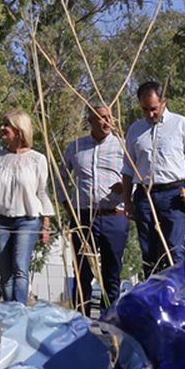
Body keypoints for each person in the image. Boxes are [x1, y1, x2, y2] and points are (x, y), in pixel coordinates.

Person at [120, 80, 185, 273]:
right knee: (148, 252)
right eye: (145, 109)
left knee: (174, 250)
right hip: (144, 195)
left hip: (173, 194)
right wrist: (127, 201)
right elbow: (127, 168)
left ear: (163, 101)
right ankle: (153, 295)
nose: (150, 114)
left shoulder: (181, 124)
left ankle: (176, 297)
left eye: (154, 109)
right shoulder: (135, 130)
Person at [61, 104, 128, 317]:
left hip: (114, 216)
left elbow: (138, 176)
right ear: (90, 120)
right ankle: (81, 322)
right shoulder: (76, 147)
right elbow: (59, 176)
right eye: (102, 117)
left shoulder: (122, 147)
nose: (107, 121)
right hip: (82, 217)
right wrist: (66, 205)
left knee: (112, 273)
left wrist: (125, 188)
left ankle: (111, 322)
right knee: (82, 273)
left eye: (110, 117)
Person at [0, 110, 53, 305]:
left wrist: (46, 225)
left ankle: (19, 313)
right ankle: (11, 318)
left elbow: (42, 192)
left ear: (19, 130)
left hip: (27, 220)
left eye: (7, 125)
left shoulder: (38, 159)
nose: (2, 128)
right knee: (5, 272)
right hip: (0, 221)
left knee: (20, 267)